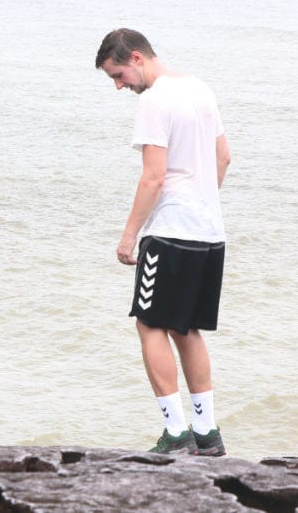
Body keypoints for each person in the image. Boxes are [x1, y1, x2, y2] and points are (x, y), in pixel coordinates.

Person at [95, 28, 231, 456]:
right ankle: (207, 436)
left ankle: (175, 435)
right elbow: (223, 157)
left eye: (118, 75)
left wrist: (128, 235)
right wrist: (201, 201)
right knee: (186, 329)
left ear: (136, 58)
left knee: (150, 324)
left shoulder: (154, 100)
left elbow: (154, 177)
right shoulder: (200, 89)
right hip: (209, 232)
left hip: (170, 232)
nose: (119, 86)